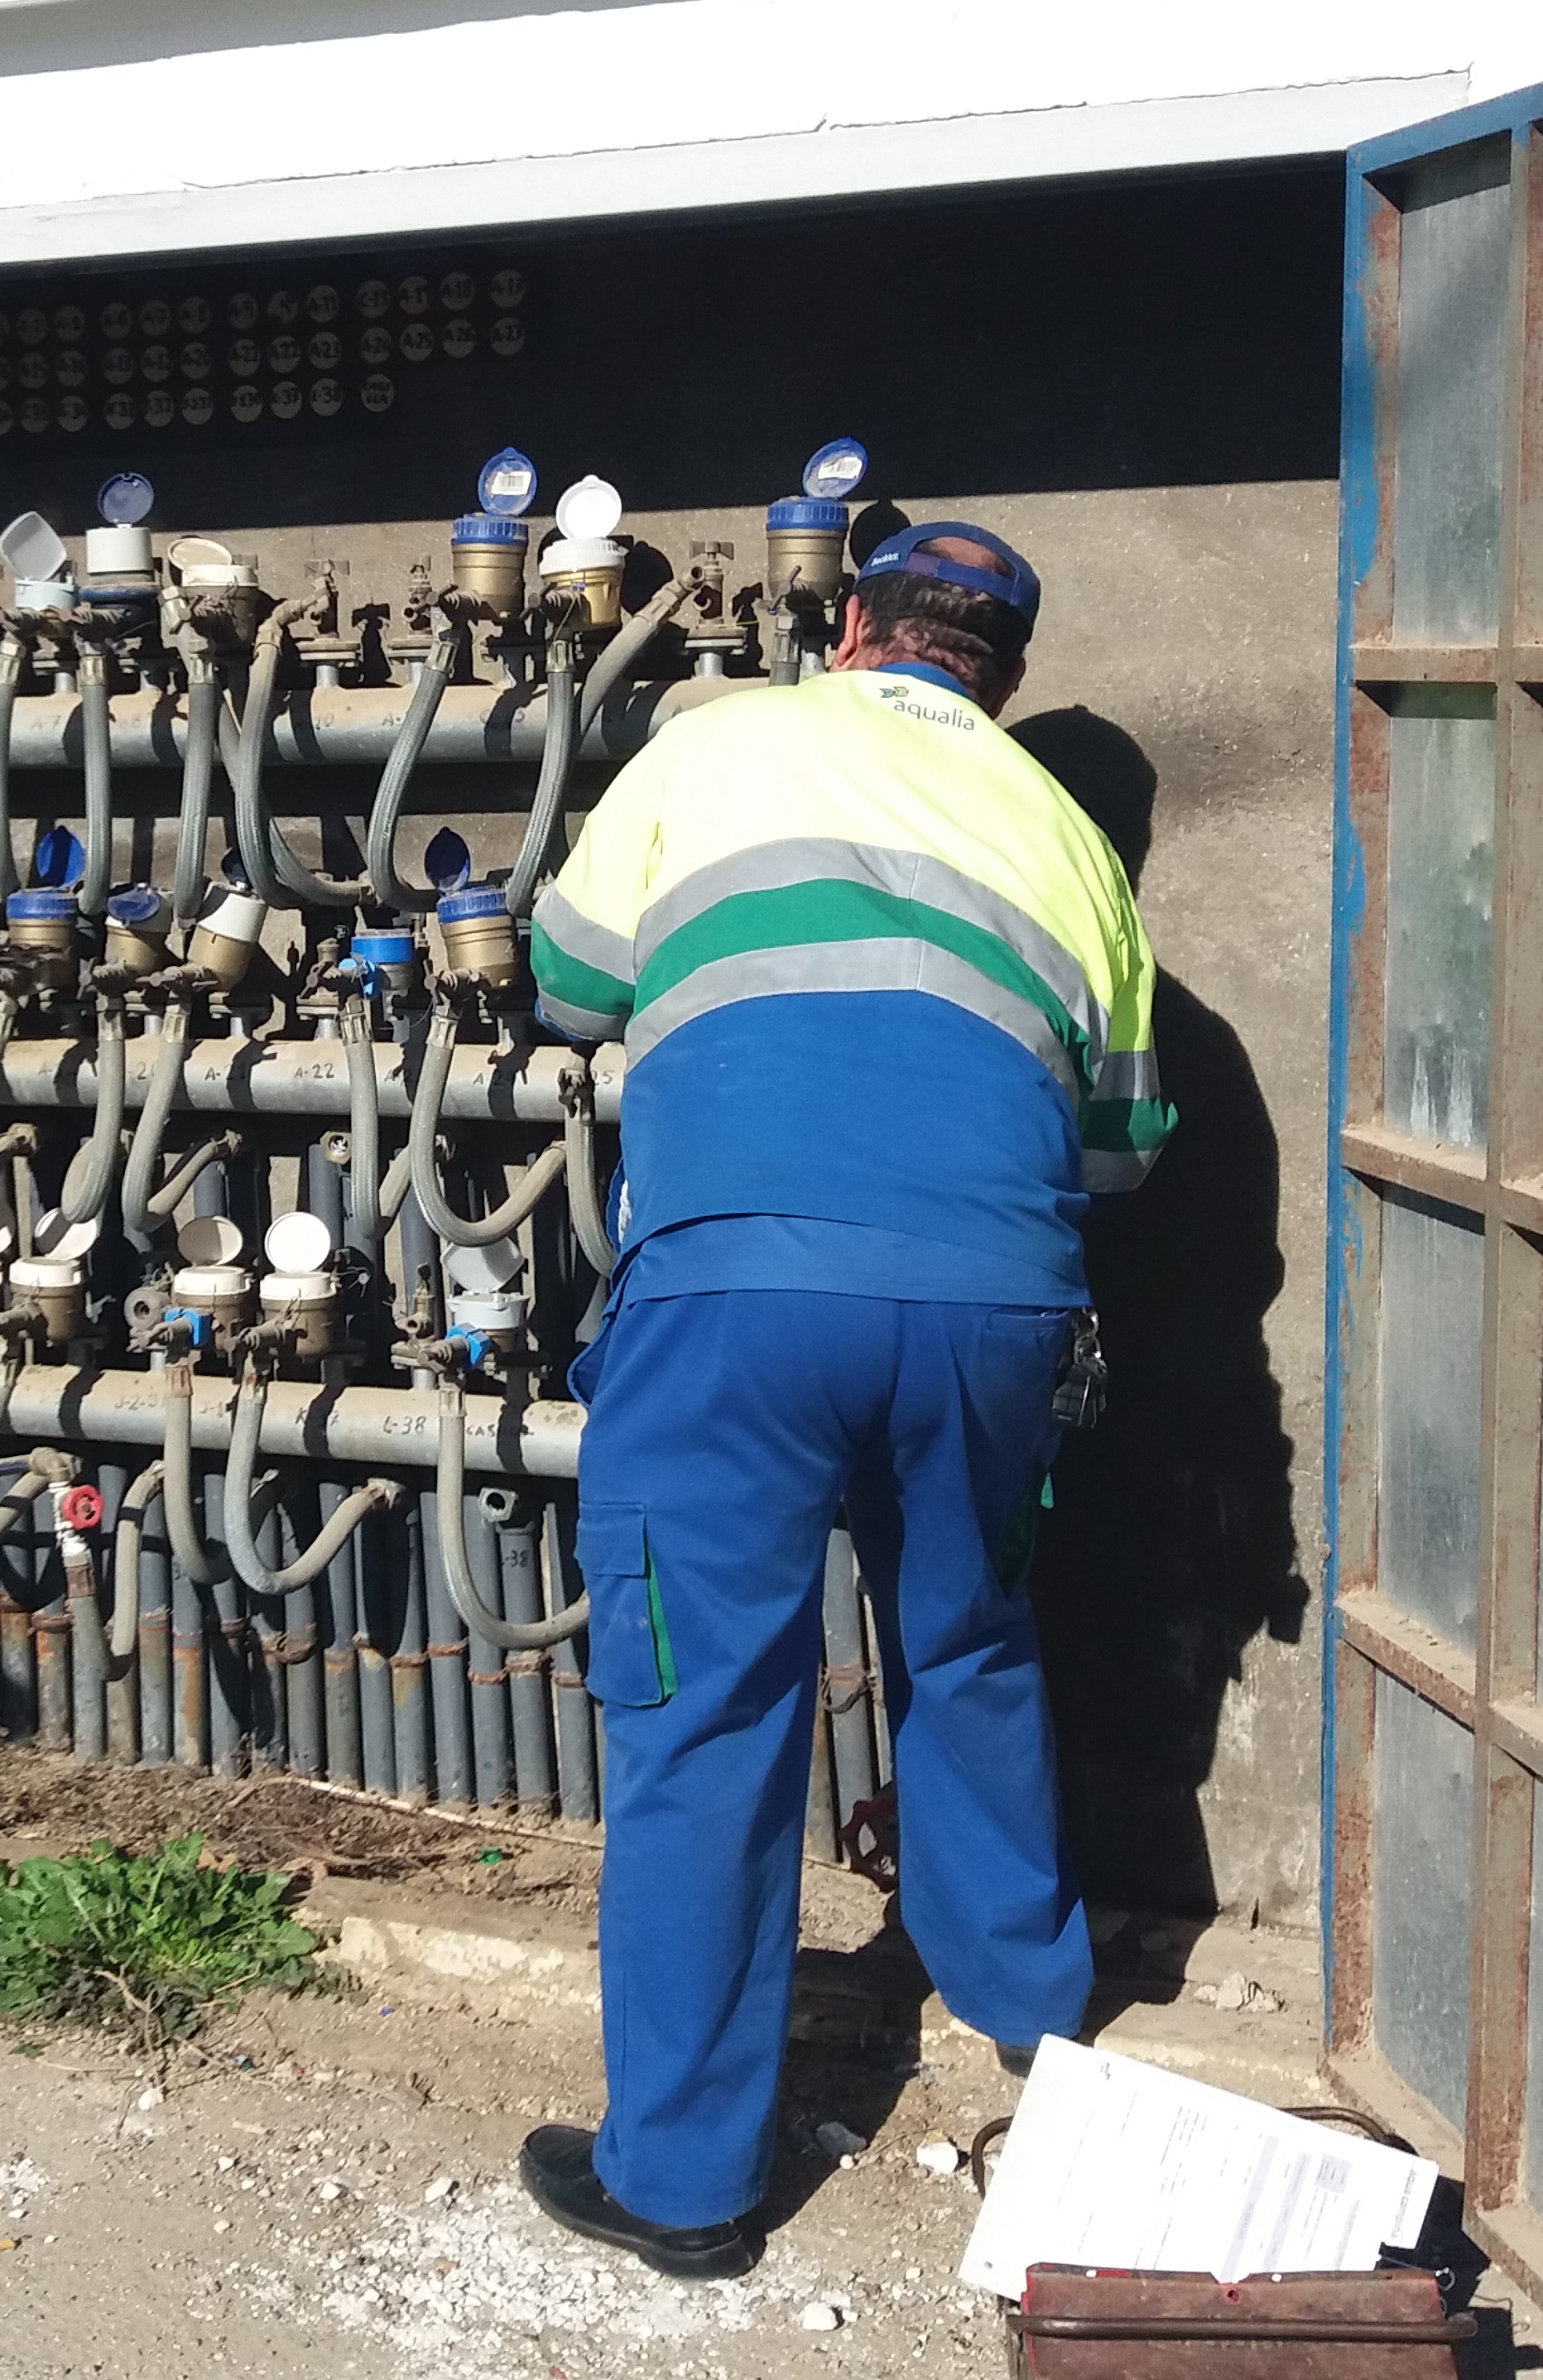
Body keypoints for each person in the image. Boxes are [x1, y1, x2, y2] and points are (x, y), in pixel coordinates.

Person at [518, 522, 1168, 2276]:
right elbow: (1120, 1151)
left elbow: (567, 980)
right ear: (1001, 678)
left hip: (737, 1296)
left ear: (853, 626)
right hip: (995, 1308)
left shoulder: (715, 741)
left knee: (707, 1705)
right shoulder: (1072, 841)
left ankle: (682, 2184)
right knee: (969, 1641)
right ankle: (1034, 2022)